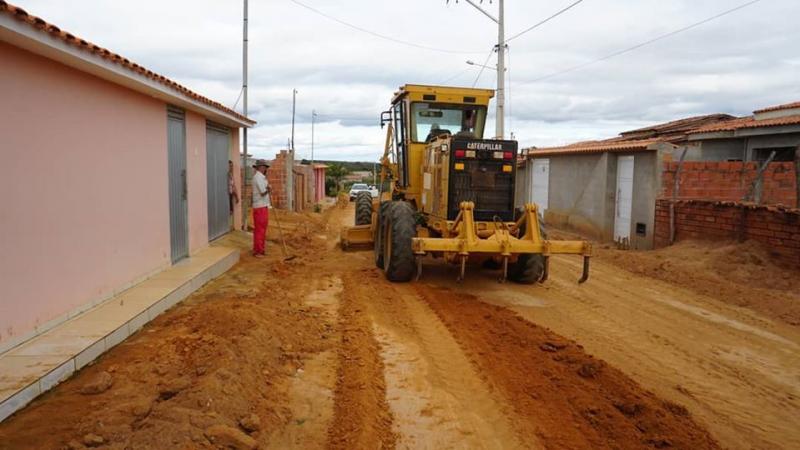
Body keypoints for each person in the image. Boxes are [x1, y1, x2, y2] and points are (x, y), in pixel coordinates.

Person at [251, 159, 271, 257]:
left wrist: (268, 188)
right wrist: (269, 189)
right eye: (264, 167)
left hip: (263, 206)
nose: (265, 169)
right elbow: (262, 192)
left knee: (262, 229)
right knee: (260, 230)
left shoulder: (262, 178)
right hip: (259, 207)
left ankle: (261, 249)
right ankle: (258, 251)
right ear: (260, 167)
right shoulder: (258, 178)